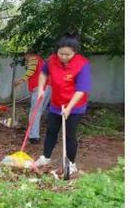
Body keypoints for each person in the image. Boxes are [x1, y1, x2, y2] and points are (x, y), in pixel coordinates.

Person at [34, 34, 91, 176]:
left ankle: (71, 164)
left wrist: (69, 108)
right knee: (51, 131)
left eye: (68, 54)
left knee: (70, 135)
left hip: (75, 106)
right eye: (61, 53)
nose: (64, 57)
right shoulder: (52, 60)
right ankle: (46, 158)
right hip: (56, 102)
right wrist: (41, 88)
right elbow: (43, 73)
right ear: (57, 51)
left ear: (75, 52)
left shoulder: (82, 64)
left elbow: (81, 90)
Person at [13, 50, 51, 144]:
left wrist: (20, 81)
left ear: (28, 55)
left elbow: (31, 71)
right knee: (39, 111)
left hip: (40, 88)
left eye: (25, 57)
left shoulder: (33, 59)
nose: (25, 59)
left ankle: (33, 137)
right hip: (49, 87)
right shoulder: (42, 61)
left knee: (34, 113)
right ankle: (34, 132)